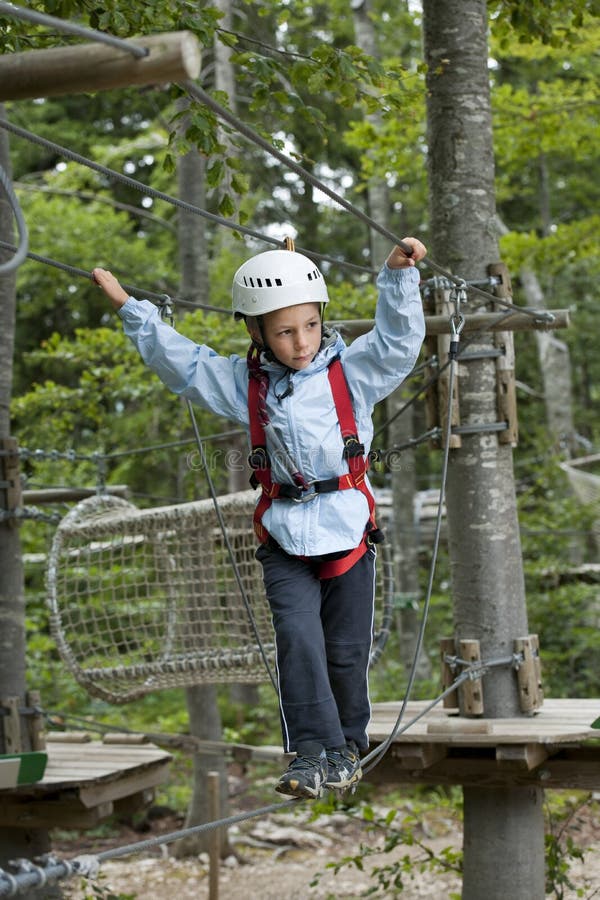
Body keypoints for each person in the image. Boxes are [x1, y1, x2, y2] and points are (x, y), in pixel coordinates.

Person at [92, 236, 426, 799]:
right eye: (284, 332)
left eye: (310, 327)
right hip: (284, 536)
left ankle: (345, 748)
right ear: (257, 334)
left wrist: (397, 279)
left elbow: (397, 342)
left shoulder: (352, 373)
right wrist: (133, 311)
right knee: (298, 639)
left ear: (322, 320)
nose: (300, 343)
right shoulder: (246, 386)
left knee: (345, 650)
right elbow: (186, 365)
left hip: (347, 530)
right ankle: (309, 754)